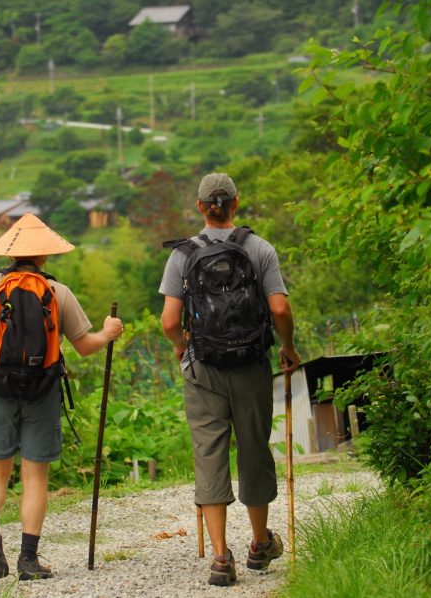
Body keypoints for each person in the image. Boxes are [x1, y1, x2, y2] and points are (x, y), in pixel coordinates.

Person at [0, 213, 123, 581]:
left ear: (10, 254)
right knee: (35, 476)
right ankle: (28, 560)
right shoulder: (57, 292)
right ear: (44, 255)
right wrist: (109, 333)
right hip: (42, 390)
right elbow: (84, 346)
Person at [159, 173, 300, 586]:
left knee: (209, 452)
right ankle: (260, 543)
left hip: (204, 369)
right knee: (254, 448)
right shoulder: (259, 249)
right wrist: (287, 347)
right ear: (235, 204)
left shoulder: (183, 254)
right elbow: (279, 311)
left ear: (200, 207)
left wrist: (182, 345)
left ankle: (221, 556)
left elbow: (169, 321)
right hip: (251, 366)